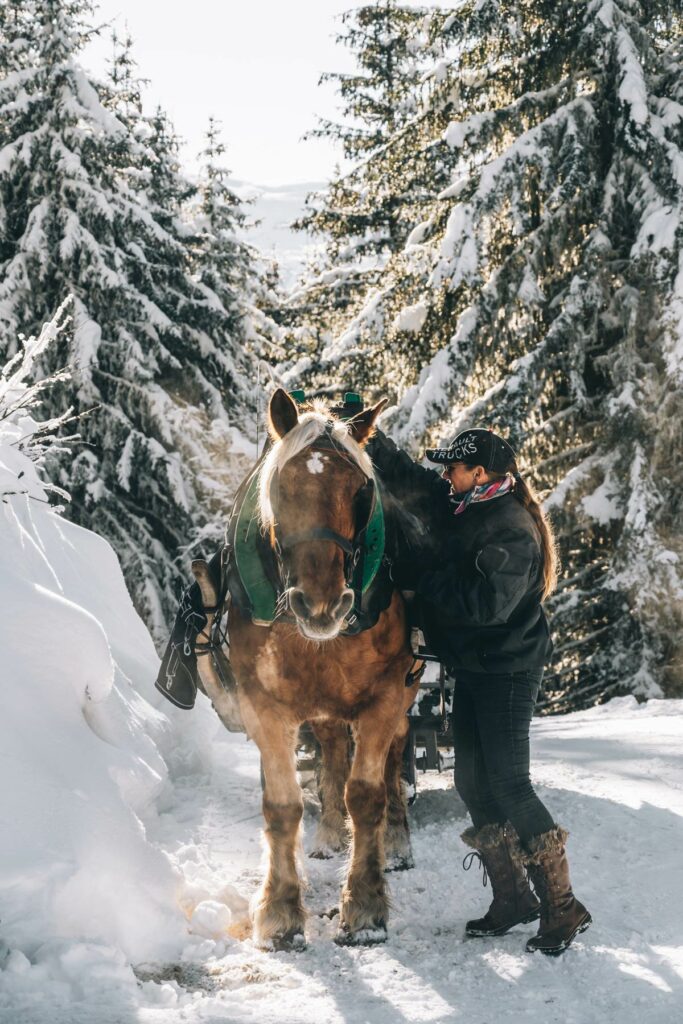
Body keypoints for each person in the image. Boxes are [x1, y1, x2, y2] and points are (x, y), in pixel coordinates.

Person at [367, 426, 591, 956]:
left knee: (510, 783)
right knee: (471, 780)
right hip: (477, 666)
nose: (447, 477)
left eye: (456, 469)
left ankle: (563, 906)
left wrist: (421, 580)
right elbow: (418, 483)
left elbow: (484, 604)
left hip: (508, 671)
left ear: (482, 474)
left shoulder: (510, 527)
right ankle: (514, 899)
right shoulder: (469, 508)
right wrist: (372, 440)